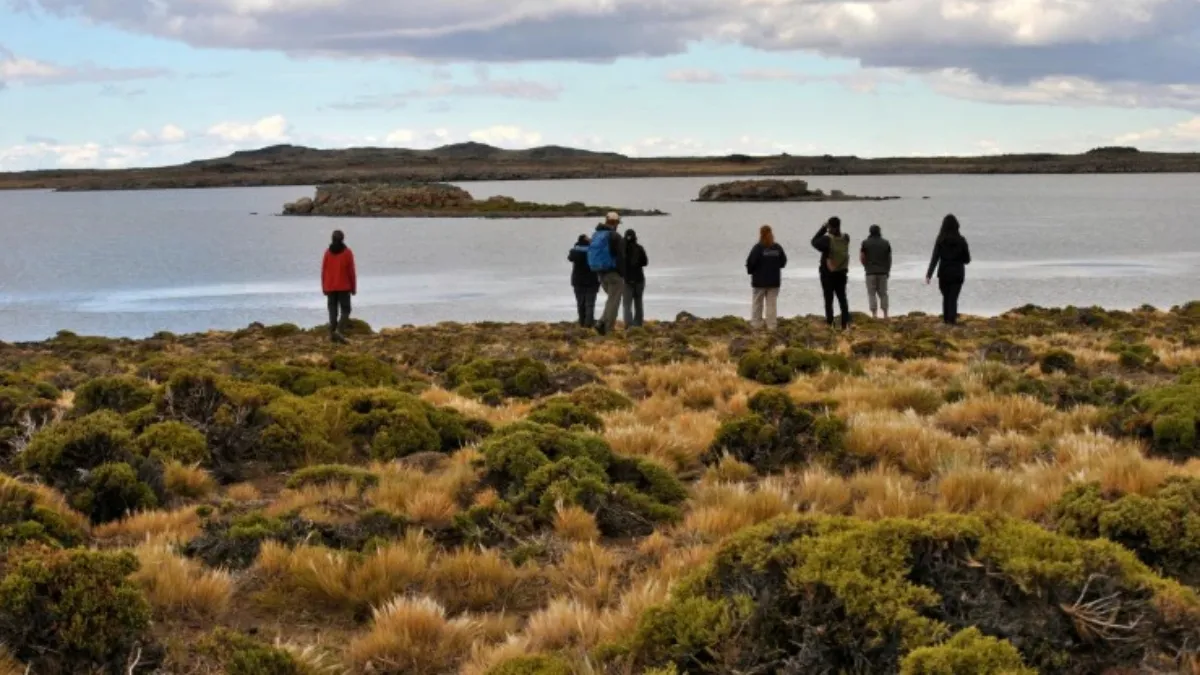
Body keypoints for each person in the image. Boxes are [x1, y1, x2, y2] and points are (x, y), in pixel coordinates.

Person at [926, 214, 972, 325]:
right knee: (953, 298)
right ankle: (952, 320)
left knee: (946, 297)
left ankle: (946, 320)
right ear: (957, 226)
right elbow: (967, 259)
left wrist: (929, 274)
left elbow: (935, 258)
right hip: (957, 273)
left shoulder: (940, 240)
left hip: (944, 273)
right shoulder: (961, 240)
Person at [588, 211, 625, 335]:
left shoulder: (596, 234)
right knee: (614, 301)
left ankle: (601, 323)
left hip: (600, 272)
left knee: (611, 299)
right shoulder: (615, 236)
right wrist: (623, 273)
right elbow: (622, 255)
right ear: (616, 223)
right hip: (613, 273)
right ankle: (608, 329)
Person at [811, 217, 851, 329]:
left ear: (830, 227)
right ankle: (845, 323)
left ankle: (830, 323)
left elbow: (813, 241)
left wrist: (823, 228)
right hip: (842, 272)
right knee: (842, 298)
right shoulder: (846, 238)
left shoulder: (827, 240)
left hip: (828, 273)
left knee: (829, 299)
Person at [746, 224, 787, 330]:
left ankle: (756, 324)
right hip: (774, 281)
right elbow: (783, 262)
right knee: (771, 305)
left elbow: (751, 262)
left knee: (757, 303)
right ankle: (771, 325)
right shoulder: (777, 248)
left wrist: (751, 271)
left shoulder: (758, 248)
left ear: (761, 234)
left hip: (759, 281)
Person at [321, 230, 357, 343]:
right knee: (346, 310)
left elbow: (323, 271)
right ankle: (339, 331)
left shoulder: (327, 253)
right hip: (344, 286)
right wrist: (353, 287)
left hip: (330, 286)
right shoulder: (347, 253)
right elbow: (351, 272)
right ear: (342, 239)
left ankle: (333, 332)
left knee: (332, 310)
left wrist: (324, 287)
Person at [860, 224, 893, 319]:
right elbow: (889, 258)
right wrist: (887, 270)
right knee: (883, 293)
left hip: (870, 272)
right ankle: (885, 314)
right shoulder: (886, 243)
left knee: (871, 293)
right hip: (883, 272)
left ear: (870, 232)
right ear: (879, 231)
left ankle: (874, 314)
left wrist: (866, 266)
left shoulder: (865, 243)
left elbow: (862, 257)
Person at [568, 234, 599, 327]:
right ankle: (588, 324)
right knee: (590, 304)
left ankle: (582, 322)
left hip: (578, 281)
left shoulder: (574, 252)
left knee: (580, 303)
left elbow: (570, 258)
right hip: (592, 281)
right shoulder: (593, 251)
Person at [622, 229, 649, 328]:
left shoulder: (622, 250)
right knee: (638, 302)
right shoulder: (639, 248)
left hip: (627, 280)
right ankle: (638, 323)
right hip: (639, 279)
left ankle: (628, 324)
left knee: (627, 304)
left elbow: (618, 264)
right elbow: (645, 262)